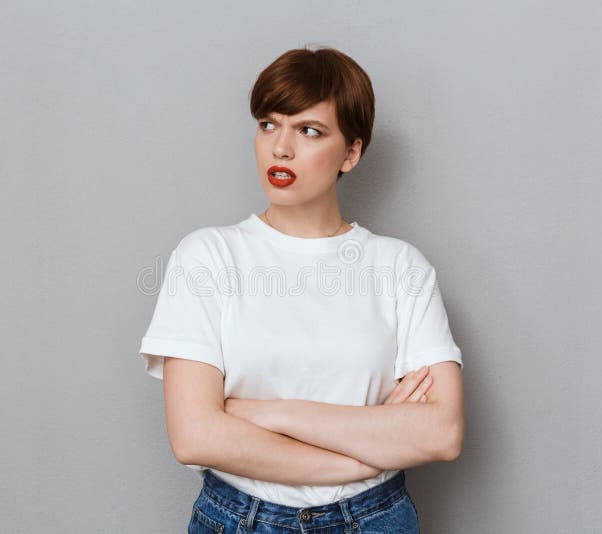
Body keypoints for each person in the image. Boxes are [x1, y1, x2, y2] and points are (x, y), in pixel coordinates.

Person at [138, 46, 464, 533]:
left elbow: (442, 433)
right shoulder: (207, 256)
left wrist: (269, 413)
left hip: (374, 521)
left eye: (309, 130)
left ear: (351, 153)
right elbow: (196, 436)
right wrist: (361, 459)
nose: (280, 148)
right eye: (269, 124)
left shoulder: (400, 267)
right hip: (239, 520)